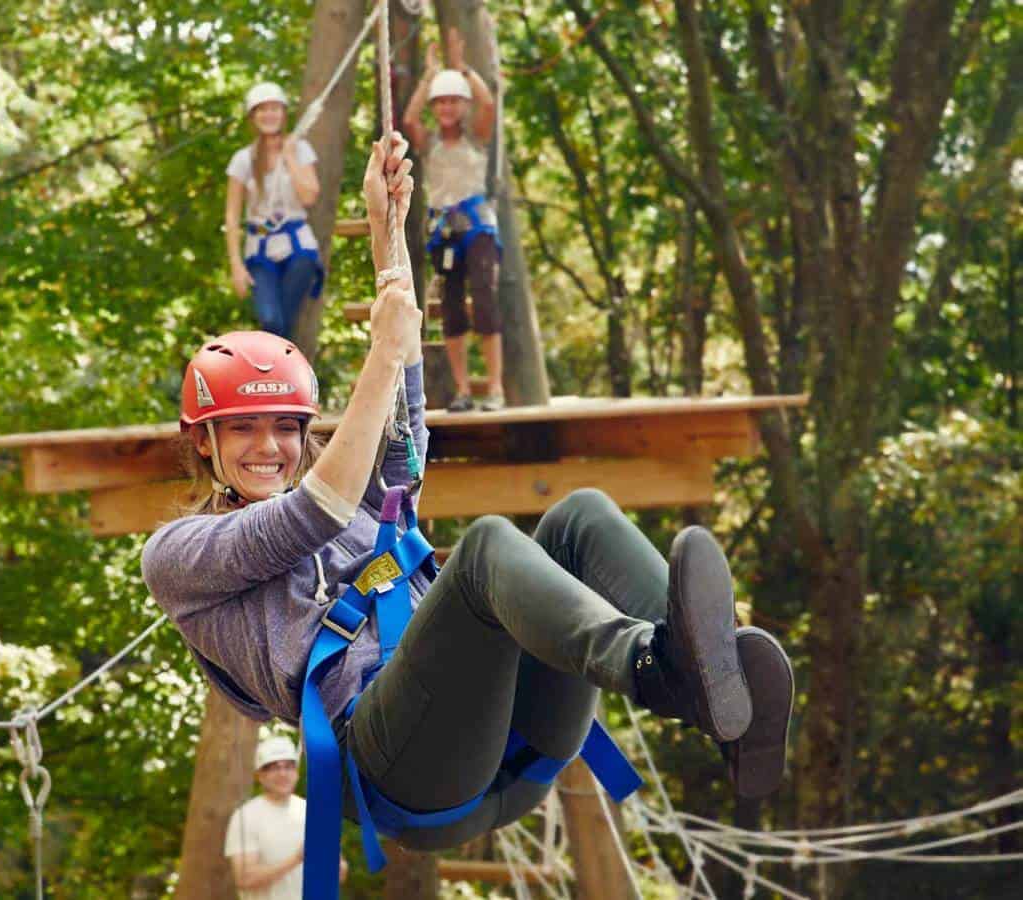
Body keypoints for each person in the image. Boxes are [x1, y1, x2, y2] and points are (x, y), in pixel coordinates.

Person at [144, 135, 793, 893]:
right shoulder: (181, 555)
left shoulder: (356, 509)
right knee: (484, 549)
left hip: (515, 738)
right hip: (401, 769)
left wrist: (388, 231)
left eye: (286, 427)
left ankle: (715, 686)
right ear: (204, 441)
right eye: (244, 430)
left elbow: (407, 430)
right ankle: (655, 667)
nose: (269, 448)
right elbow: (308, 518)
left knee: (577, 518)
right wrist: (380, 358)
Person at [402, 30, 503, 412]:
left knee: (487, 299)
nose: (447, 108)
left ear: (463, 106)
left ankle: (494, 388)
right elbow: (409, 117)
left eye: (454, 101)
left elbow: (489, 104)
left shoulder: (476, 137)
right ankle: (462, 389)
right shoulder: (429, 142)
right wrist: (429, 77)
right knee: (454, 308)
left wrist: (462, 70)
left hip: (477, 226)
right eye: (440, 102)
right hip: (444, 230)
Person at [225, 82, 323, 340]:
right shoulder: (243, 160)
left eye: (274, 109)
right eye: (262, 110)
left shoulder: (300, 150)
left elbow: (309, 196)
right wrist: (236, 265)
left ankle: (282, 371)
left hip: (297, 247)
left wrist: (289, 157)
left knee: (285, 322)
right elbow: (232, 216)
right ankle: (275, 368)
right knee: (271, 320)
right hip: (260, 249)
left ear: (283, 113)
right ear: (253, 116)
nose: (269, 115)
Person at [225, 735, 347, 898]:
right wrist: (297, 858)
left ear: (296, 772)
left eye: (289, 766)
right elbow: (245, 878)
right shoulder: (246, 816)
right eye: (274, 767)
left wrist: (334, 863)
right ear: (260, 775)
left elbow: (339, 874)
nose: (283, 773)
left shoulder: (312, 810)